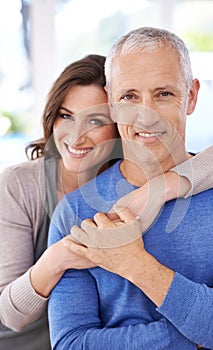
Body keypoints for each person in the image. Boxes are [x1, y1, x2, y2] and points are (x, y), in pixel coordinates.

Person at [48, 27, 213, 350]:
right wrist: (199, 332)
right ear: (111, 102)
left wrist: (137, 265)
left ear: (191, 96)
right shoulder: (76, 212)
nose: (145, 116)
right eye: (129, 97)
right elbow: (70, 345)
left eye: (163, 94)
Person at [0, 54, 120, 350]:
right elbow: (10, 314)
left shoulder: (136, 184)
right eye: (66, 116)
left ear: (119, 127)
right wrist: (59, 257)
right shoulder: (20, 184)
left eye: (95, 120)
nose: (76, 137)